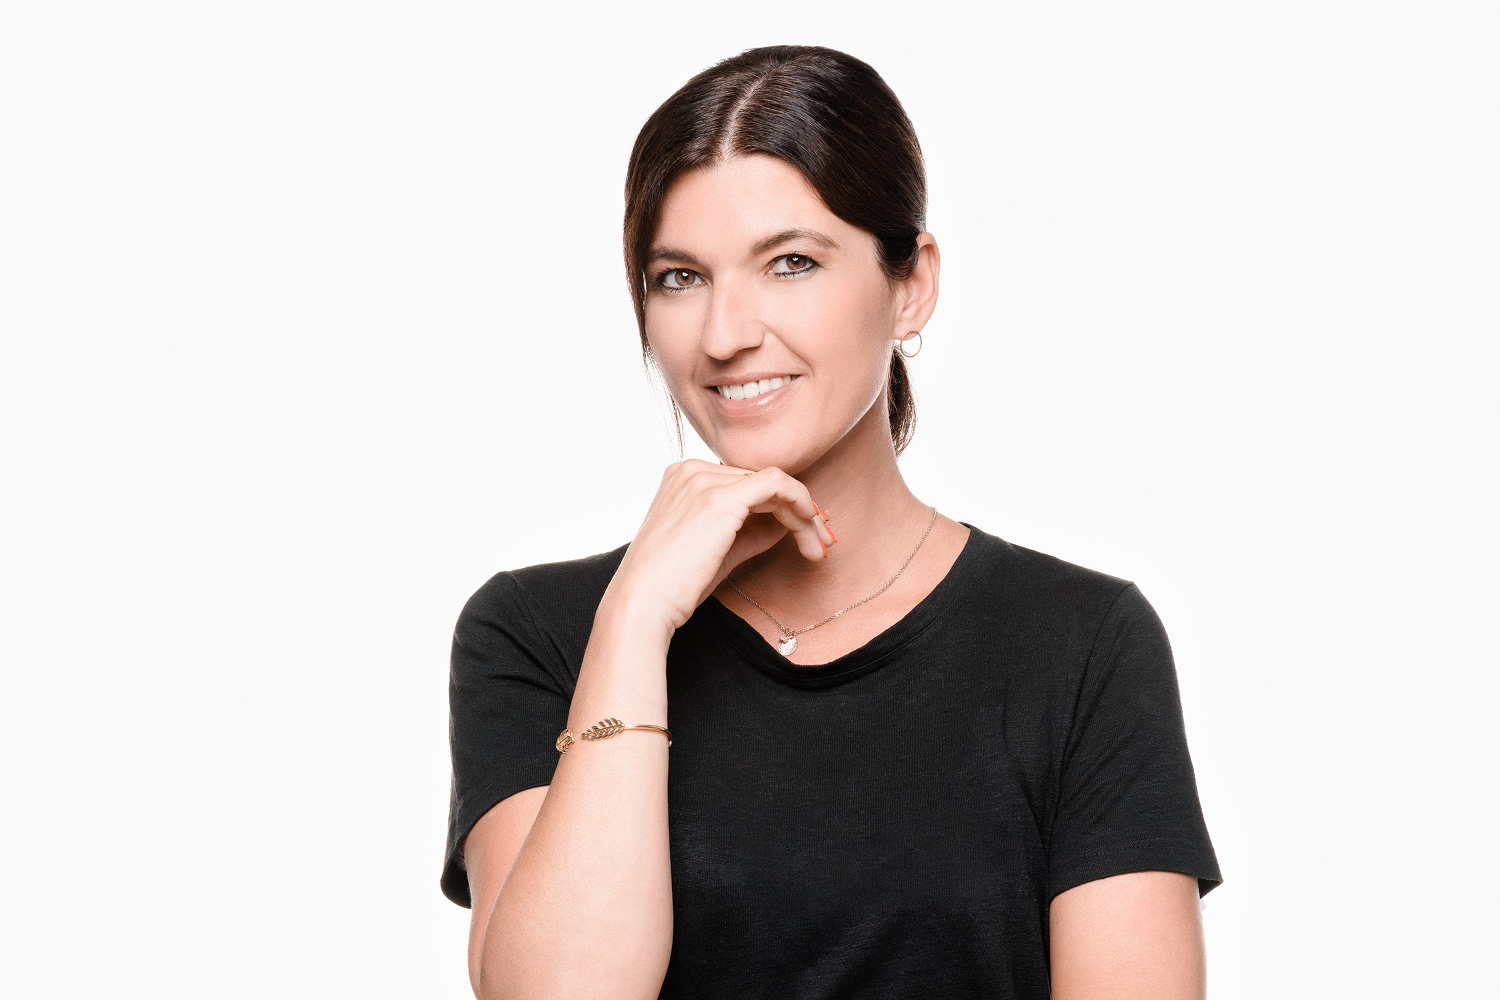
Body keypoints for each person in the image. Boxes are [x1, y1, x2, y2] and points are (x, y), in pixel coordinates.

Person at [442, 45, 1220, 999]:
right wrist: (635, 623)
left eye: (791, 263)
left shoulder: (1080, 644)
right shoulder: (538, 634)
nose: (726, 334)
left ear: (910, 285)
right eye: (679, 277)